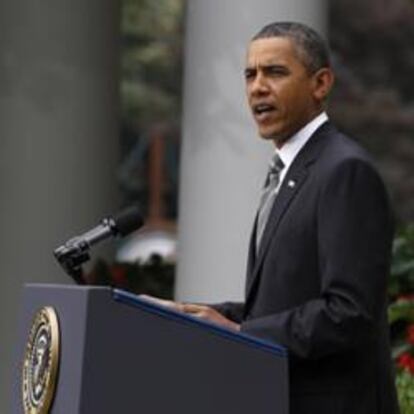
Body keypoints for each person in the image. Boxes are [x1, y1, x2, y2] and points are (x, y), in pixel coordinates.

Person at [143, 22, 399, 413]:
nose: (257, 87)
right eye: (250, 74)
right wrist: (197, 317)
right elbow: (285, 303)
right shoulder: (292, 171)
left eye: (275, 72)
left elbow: (349, 312)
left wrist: (242, 331)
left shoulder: (345, 170)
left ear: (321, 84)